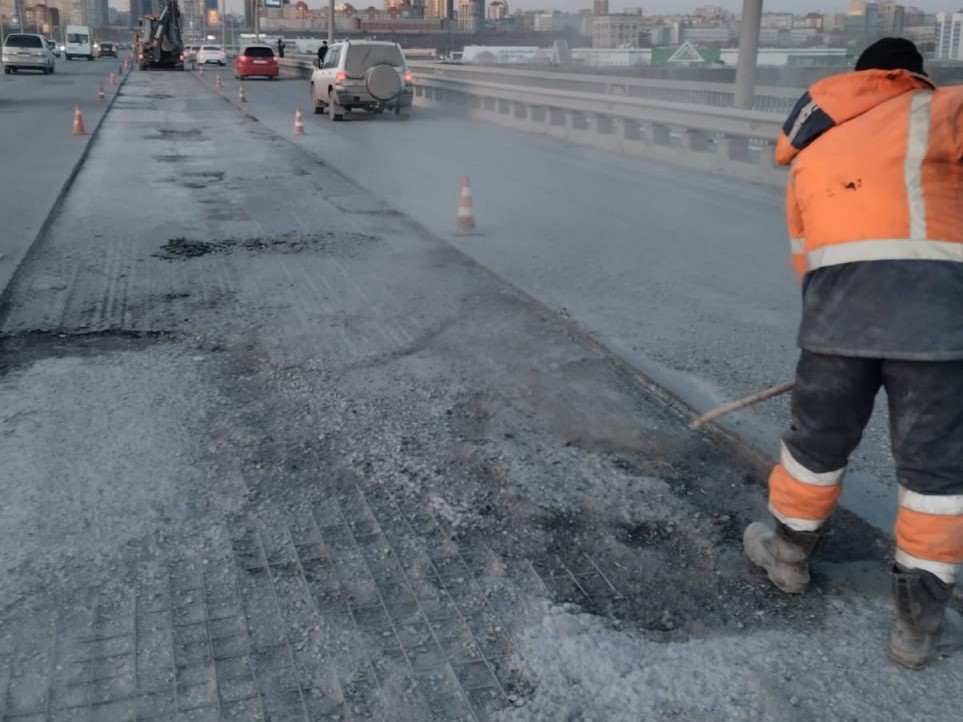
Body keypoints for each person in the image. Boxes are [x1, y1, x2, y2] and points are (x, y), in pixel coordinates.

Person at [742, 37, 963, 670]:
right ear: (910, 77)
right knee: (934, 478)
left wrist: (841, 330)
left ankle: (786, 557)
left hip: (835, 323)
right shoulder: (940, 111)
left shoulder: (811, 150)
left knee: (814, 449)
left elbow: (804, 260)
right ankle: (916, 630)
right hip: (937, 332)